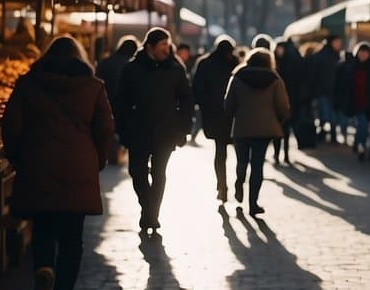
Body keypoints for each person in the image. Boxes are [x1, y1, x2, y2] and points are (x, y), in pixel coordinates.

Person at [2, 36, 114, 290]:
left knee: (43, 228)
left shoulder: (28, 84)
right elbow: (105, 129)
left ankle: (43, 270)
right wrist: (97, 160)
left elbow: (11, 126)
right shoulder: (93, 88)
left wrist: (19, 157)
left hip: (39, 163)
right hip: (78, 165)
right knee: (72, 236)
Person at [113, 28, 193, 235]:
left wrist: (183, 128)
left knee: (159, 173)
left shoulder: (175, 69)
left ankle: (152, 214)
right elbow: (121, 100)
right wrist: (122, 127)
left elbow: (186, 99)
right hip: (137, 130)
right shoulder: (132, 69)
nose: (167, 49)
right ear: (150, 46)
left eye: (168, 45)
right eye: (163, 46)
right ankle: (147, 207)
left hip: (166, 131)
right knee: (136, 172)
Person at [223, 49, 291, 216]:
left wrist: (235, 115)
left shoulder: (237, 77)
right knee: (257, 166)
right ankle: (253, 204)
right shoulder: (275, 79)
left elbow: (228, 104)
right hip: (265, 129)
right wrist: (278, 120)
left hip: (242, 127)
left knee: (241, 162)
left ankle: (239, 185)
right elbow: (283, 106)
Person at [192, 36, 239, 202]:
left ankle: (222, 186)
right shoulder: (236, 64)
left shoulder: (205, 63)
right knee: (240, 153)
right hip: (233, 115)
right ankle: (237, 186)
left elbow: (197, 88)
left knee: (220, 153)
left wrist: (205, 106)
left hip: (214, 115)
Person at [94, 35, 138, 166]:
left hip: (105, 101)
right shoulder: (132, 66)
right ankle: (117, 154)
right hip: (125, 105)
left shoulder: (105, 62)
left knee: (108, 129)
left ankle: (109, 153)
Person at [338, 42, 370, 162]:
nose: (363, 54)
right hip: (357, 103)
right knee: (362, 127)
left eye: (365, 52)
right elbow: (345, 86)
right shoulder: (351, 67)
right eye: (360, 52)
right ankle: (361, 148)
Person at [273, 39, 305, 162]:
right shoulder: (275, 63)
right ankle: (277, 155)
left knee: (285, 130)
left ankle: (285, 154)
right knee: (277, 130)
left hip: (289, 101)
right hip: (277, 102)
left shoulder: (290, 64)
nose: (279, 51)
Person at [308, 35, 343, 142]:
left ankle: (328, 134)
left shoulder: (336, 55)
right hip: (324, 91)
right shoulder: (324, 56)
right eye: (337, 42)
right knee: (325, 114)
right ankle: (325, 134)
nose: (339, 44)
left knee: (328, 114)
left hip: (331, 91)